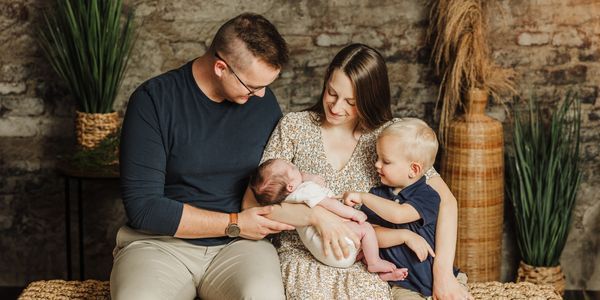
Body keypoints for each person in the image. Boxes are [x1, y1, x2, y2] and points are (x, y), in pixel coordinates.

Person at [254, 43, 472, 299]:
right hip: (305, 256)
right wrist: (317, 218)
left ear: (370, 100)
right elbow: (258, 202)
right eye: (331, 93)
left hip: (366, 260)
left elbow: (445, 201)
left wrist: (443, 274)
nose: (335, 107)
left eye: (351, 102)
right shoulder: (294, 127)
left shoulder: (387, 138)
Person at [111, 13, 297, 300]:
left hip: (240, 247)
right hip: (159, 245)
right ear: (221, 67)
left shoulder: (263, 103)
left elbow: (281, 180)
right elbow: (144, 208)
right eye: (252, 87)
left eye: (266, 86)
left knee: (264, 295)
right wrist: (235, 222)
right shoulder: (153, 101)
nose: (261, 96)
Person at [342, 118, 467, 299]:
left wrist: (363, 197)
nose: (377, 164)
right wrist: (404, 236)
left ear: (414, 169)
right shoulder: (377, 195)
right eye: (377, 158)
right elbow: (371, 235)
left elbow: (399, 215)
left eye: (386, 161)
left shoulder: (428, 195)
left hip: (442, 278)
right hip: (405, 285)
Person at [249, 158, 409, 281]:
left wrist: (304, 177)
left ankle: (383, 275)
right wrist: (353, 214)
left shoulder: (287, 200)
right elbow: (330, 204)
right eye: (292, 168)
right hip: (336, 245)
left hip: (326, 253)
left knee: (361, 248)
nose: (293, 165)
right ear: (290, 186)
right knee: (367, 229)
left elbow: (315, 185)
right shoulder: (306, 189)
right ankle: (374, 262)